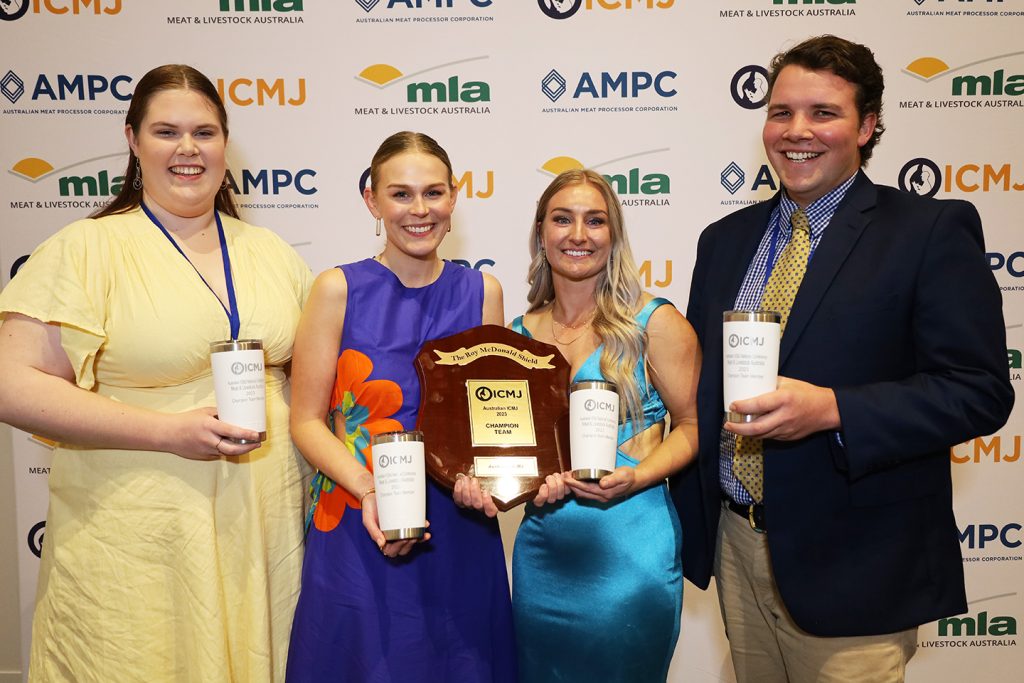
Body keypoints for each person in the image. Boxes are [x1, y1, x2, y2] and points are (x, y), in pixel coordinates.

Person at [675, 35, 1013, 682]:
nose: (797, 130)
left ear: (867, 125)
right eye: (781, 112)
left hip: (858, 564)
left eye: (823, 112)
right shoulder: (723, 242)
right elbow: (697, 387)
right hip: (738, 546)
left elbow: (979, 390)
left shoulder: (928, 231)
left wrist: (834, 410)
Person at [0, 64, 312, 681]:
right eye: (167, 131)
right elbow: (12, 383)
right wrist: (166, 432)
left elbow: (318, 387)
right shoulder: (87, 249)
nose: (189, 149)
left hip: (263, 538)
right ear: (133, 140)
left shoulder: (270, 253)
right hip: (136, 545)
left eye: (206, 132)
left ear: (226, 143)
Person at [285, 131, 517, 682]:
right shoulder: (336, 289)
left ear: (454, 198)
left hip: (458, 530)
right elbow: (306, 421)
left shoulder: (484, 291)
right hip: (356, 522)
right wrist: (370, 491)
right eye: (401, 194)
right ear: (372, 201)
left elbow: (493, 423)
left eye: (433, 193)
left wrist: (492, 478)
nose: (420, 210)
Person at [508, 169, 700, 682]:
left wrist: (636, 476)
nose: (578, 235)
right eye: (562, 220)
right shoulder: (516, 336)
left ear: (613, 235)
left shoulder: (654, 323)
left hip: (629, 549)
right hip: (542, 553)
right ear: (541, 233)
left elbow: (693, 427)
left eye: (595, 221)